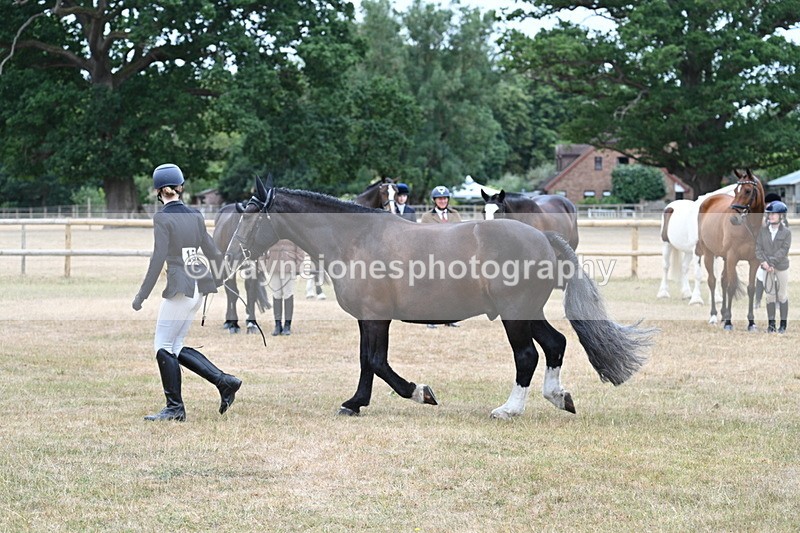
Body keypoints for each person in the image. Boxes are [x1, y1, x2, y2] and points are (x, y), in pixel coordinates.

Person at [132, 163, 242, 422]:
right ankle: (224, 382)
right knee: (176, 345)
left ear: (159, 191)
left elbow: (158, 259)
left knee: (162, 345)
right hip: (198, 287)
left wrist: (141, 295)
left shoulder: (162, 217)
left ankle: (175, 408)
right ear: (180, 187)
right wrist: (222, 274)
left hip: (181, 287)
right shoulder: (195, 215)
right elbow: (214, 252)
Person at [421, 185, 462, 327]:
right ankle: (430, 319)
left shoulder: (455, 214)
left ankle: (450, 318)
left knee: (451, 289)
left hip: (453, 257)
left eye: (444, 198)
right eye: (439, 199)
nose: (442, 201)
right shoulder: (427, 217)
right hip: (434, 256)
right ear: (434, 200)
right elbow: (424, 237)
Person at [755, 200, 791, 333]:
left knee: (781, 295)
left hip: (781, 267)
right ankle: (771, 325)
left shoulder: (786, 232)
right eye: (769, 214)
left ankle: (783, 325)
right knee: (770, 295)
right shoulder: (763, 231)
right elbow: (758, 249)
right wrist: (764, 263)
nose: (770, 216)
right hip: (766, 267)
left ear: (781, 216)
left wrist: (771, 263)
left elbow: (784, 250)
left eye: (774, 214)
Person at [265, 239, 306, 335]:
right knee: (276, 294)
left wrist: (298, 266)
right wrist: (264, 262)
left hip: (289, 265)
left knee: (288, 293)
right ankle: (277, 325)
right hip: (274, 264)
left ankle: (287, 325)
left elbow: (300, 249)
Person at [755, 192, 784, 308]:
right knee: (760, 275)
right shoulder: (764, 218)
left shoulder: (781, 219)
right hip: (765, 253)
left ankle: (777, 301)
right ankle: (757, 301)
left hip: (777, 253)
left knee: (777, 277)